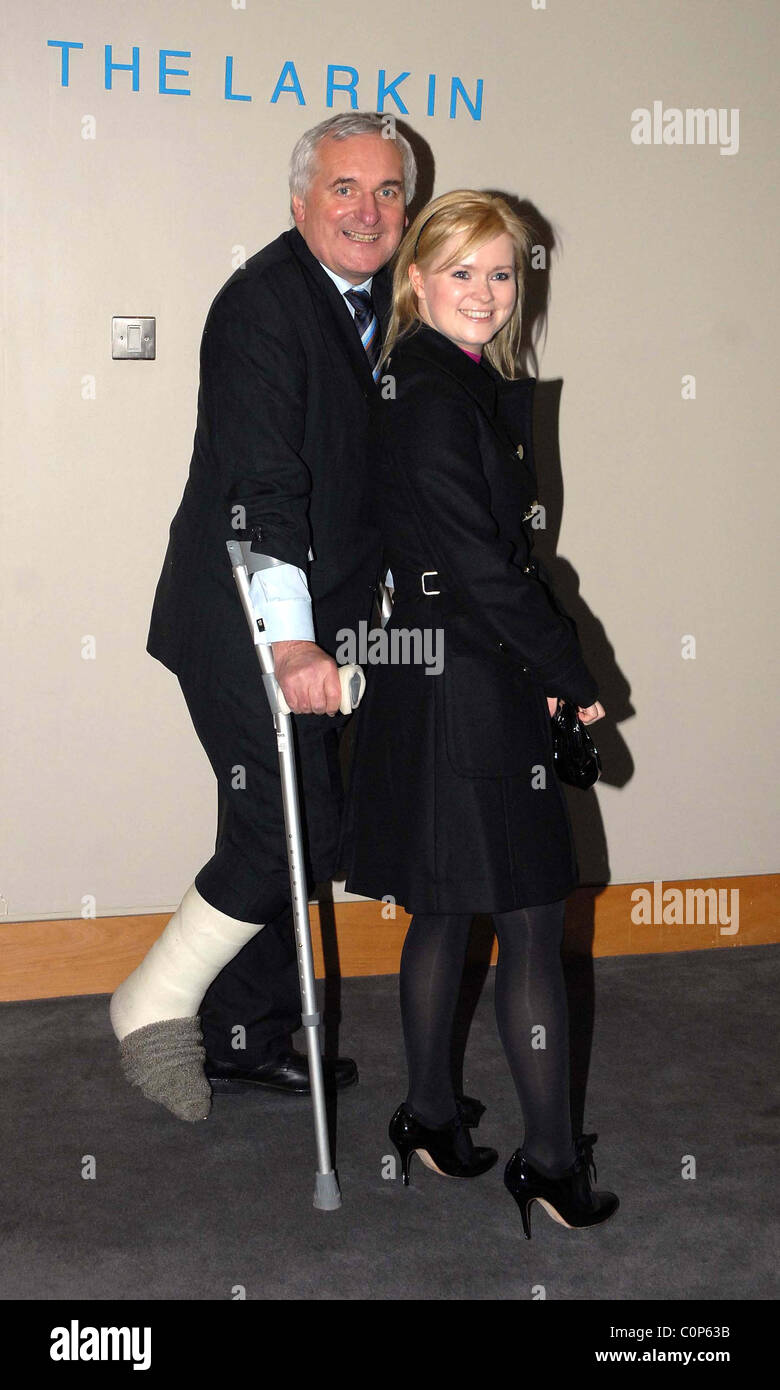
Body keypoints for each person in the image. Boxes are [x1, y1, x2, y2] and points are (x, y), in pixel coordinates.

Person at [109, 112, 416, 1121]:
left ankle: (247, 1037)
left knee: (270, 810)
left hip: (318, 618)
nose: (366, 211)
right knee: (301, 824)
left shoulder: (387, 309)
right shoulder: (262, 308)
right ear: (299, 202)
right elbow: (263, 486)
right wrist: (289, 639)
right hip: (242, 608)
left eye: (385, 192)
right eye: (343, 188)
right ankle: (152, 999)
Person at [343, 190, 619, 1237]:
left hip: (437, 678)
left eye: (503, 273)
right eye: (463, 270)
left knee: (446, 909)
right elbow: (483, 567)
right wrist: (569, 669)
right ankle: (550, 1164)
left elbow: (466, 564)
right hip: (472, 688)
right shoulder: (432, 394)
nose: (487, 292)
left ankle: (426, 1116)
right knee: (533, 926)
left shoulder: (428, 383)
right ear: (416, 278)